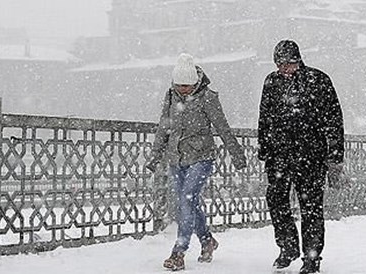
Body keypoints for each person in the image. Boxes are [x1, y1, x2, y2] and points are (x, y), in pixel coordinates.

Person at [145, 53, 247, 271]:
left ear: (196, 82)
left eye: (187, 86)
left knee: (187, 200)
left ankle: (178, 252)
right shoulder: (171, 96)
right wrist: (155, 156)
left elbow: (222, 127)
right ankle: (207, 240)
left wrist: (237, 154)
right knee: (189, 203)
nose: (182, 89)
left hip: (201, 157)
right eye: (179, 85)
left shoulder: (208, 98)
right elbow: (164, 126)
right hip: (176, 158)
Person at [258, 39, 345, 274]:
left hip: (311, 155)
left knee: (311, 207)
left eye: (289, 63)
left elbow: (334, 118)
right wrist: (264, 146)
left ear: (298, 60)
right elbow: (265, 116)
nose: (285, 69)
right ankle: (287, 247)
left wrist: (335, 153)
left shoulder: (318, 80)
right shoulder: (271, 82)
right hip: (279, 155)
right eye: (280, 64)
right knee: (276, 201)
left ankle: (312, 257)